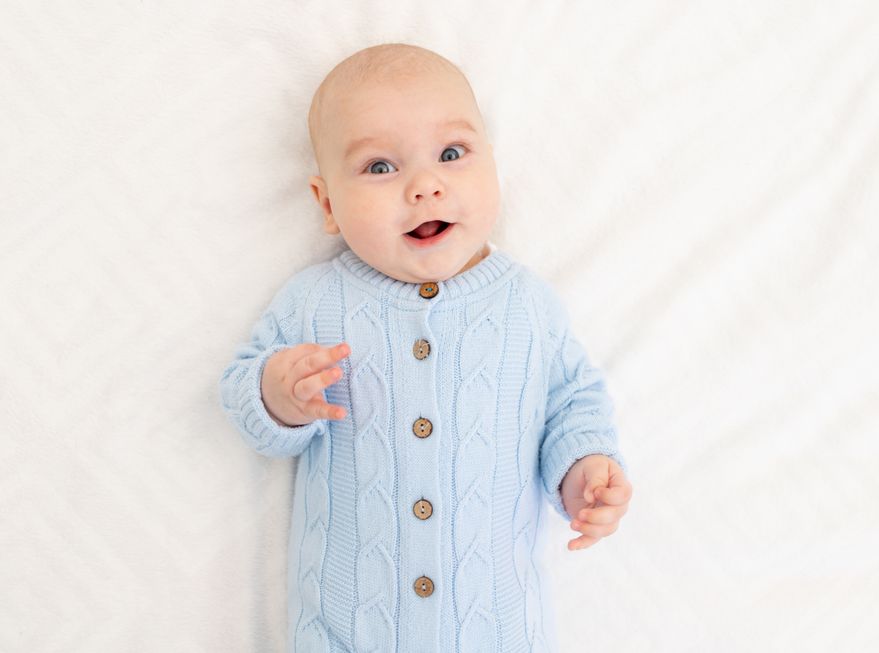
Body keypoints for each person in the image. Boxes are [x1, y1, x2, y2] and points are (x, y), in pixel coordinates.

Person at [219, 42, 633, 653]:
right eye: (380, 168)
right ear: (327, 203)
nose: (425, 186)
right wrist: (277, 393)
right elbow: (245, 400)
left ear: (491, 164)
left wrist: (583, 472)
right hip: (346, 628)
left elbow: (573, 402)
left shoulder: (526, 305)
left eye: (451, 154)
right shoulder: (314, 302)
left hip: (495, 630)